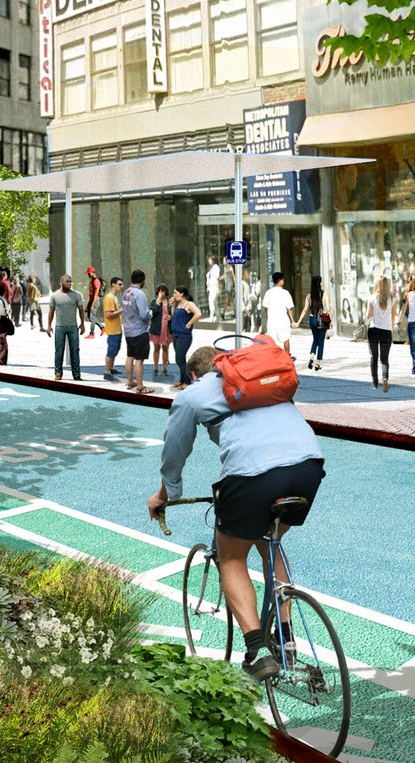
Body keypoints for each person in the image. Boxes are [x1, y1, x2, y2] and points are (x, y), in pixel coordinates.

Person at [149, 345, 325, 683]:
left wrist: (166, 494)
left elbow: (175, 450)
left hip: (251, 475)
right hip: (308, 466)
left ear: (195, 375)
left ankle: (257, 650)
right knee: (269, 539)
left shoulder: (193, 394)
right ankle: (287, 640)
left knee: (231, 557)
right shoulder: (257, 378)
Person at [44, 274, 84, 381]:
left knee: (75, 350)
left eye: (70, 281)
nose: (70, 283)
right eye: (67, 281)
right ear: (61, 282)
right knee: (59, 351)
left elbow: (81, 309)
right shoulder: (55, 296)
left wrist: (82, 324)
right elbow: (51, 311)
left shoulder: (76, 295)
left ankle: (76, 374)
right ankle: (58, 373)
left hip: (73, 327)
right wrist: (49, 325)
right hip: (59, 327)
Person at [122, 270, 155, 395]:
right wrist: (151, 312)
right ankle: (140, 387)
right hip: (139, 330)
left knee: (130, 356)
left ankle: (130, 382)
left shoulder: (126, 292)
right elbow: (144, 315)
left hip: (128, 330)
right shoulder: (139, 294)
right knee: (139, 360)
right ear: (143, 280)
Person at [366, 275, 395, 392]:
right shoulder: (391, 299)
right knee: (384, 358)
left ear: (377, 285)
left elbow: (369, 316)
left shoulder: (372, 298)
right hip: (387, 331)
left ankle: (374, 383)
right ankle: (385, 378)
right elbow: (392, 315)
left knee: (374, 357)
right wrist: (391, 327)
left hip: (373, 330)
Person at [169, 287, 202, 389]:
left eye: (175, 293)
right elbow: (174, 316)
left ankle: (187, 381)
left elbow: (198, 314)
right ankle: (182, 379)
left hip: (184, 336)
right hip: (176, 334)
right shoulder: (178, 304)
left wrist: (189, 323)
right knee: (180, 359)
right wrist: (172, 306)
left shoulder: (189, 304)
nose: (174, 294)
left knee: (179, 359)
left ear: (182, 294)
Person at [261, 272, 297, 356]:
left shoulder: (268, 293)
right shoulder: (285, 293)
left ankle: (274, 358)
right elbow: (290, 308)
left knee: (272, 342)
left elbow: (265, 307)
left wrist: (269, 315)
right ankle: (287, 356)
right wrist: (292, 321)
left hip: (272, 322)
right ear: (280, 280)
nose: (283, 281)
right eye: (283, 279)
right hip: (283, 321)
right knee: (286, 339)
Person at [304, 276, 329, 372]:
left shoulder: (309, 296)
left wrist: (298, 321)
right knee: (321, 341)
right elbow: (328, 308)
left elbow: (305, 309)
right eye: (321, 282)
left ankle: (312, 356)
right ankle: (318, 363)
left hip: (312, 319)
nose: (322, 284)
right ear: (319, 283)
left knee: (315, 339)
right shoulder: (324, 294)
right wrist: (329, 317)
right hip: (321, 318)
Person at [101, 277, 124, 381]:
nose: (121, 286)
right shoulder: (109, 298)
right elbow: (109, 315)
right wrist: (122, 310)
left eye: (122, 284)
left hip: (117, 329)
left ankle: (111, 368)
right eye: (119, 284)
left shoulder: (114, 297)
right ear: (113, 285)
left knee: (115, 349)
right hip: (113, 330)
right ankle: (107, 371)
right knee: (111, 350)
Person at [149, 285, 173, 380]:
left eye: (163, 290)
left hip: (167, 328)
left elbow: (173, 313)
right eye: (159, 290)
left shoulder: (170, 302)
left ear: (166, 291)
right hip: (157, 328)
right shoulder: (154, 301)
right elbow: (152, 313)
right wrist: (158, 300)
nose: (161, 292)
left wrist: (171, 317)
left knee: (165, 348)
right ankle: (155, 367)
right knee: (156, 348)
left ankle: (164, 368)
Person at [84, 266, 104, 338]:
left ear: (93, 273)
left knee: (92, 317)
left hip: (95, 301)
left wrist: (92, 305)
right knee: (90, 316)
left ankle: (92, 334)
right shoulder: (92, 280)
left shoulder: (96, 281)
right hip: (91, 301)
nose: (88, 274)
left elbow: (96, 295)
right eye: (87, 273)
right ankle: (102, 327)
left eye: (89, 273)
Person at [401, 274, 415, 376]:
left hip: (412, 324)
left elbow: (403, 309)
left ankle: (414, 370)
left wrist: (399, 320)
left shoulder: (408, 294)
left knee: (413, 348)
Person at [206, 256, 224, 324]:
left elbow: (217, 278)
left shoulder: (216, 267)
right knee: (211, 301)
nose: (209, 261)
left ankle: (214, 316)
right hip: (210, 287)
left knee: (213, 301)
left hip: (214, 286)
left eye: (210, 260)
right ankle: (215, 316)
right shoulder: (211, 268)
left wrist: (217, 288)